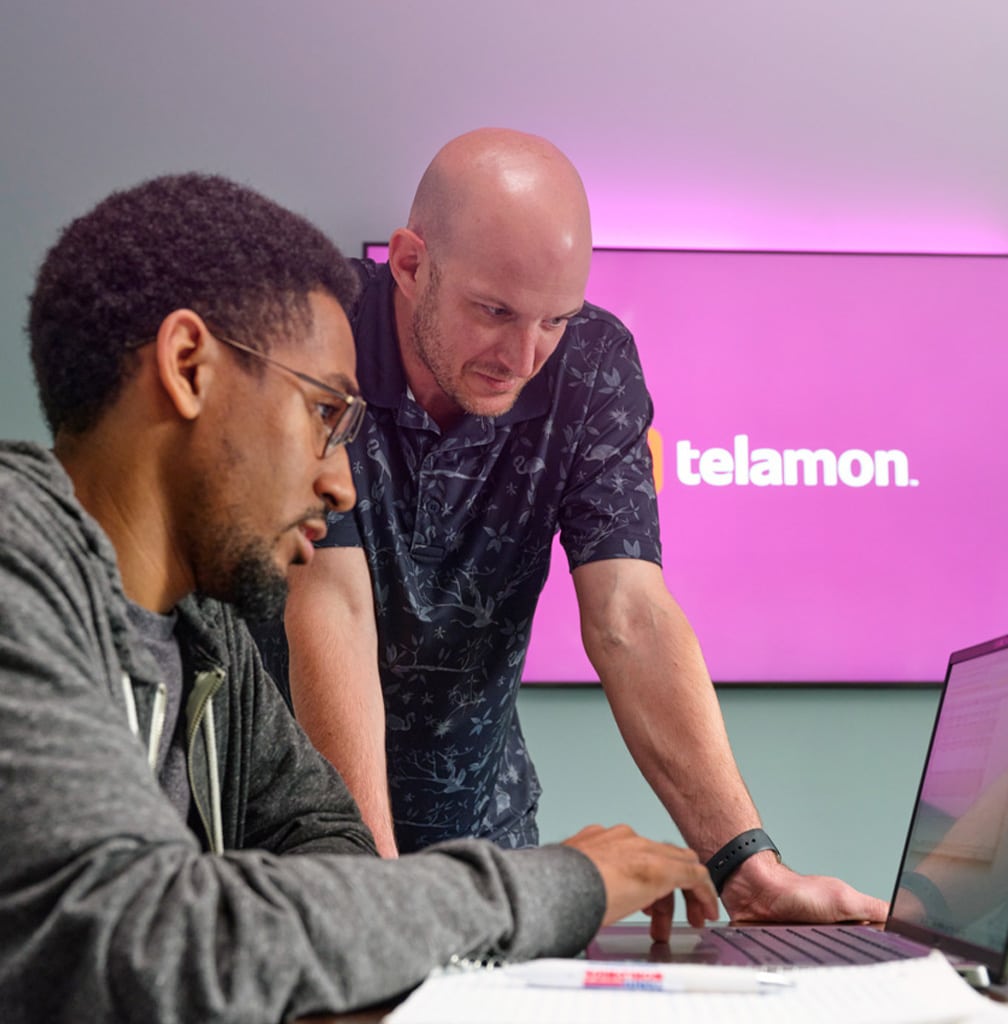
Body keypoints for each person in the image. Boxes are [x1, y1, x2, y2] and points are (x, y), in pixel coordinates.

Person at [0, 172, 720, 1024]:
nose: (342, 484)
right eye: (325, 413)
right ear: (188, 366)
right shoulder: (16, 569)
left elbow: (340, 869)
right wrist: (563, 883)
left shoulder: (206, 639)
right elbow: (144, 937)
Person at [265, 127, 889, 925]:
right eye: (494, 311)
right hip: (292, 853)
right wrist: (381, 906)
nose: (524, 355)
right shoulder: (321, 333)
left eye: (552, 319)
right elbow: (330, 607)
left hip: (486, 848)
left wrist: (748, 868)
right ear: (413, 264)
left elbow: (631, 612)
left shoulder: (591, 363)